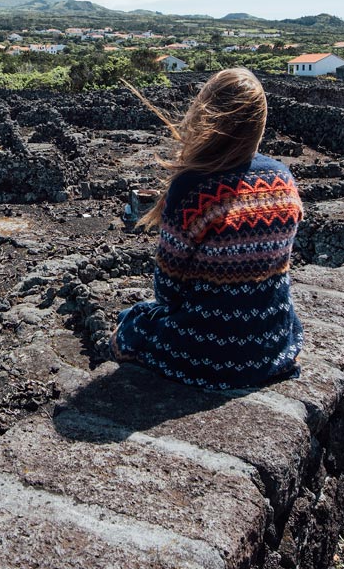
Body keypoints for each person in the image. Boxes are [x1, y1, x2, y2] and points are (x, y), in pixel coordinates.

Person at [110, 67, 305, 391]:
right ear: (260, 123)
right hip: (274, 344)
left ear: (205, 115)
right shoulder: (283, 180)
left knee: (131, 322)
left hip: (207, 351)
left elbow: (167, 292)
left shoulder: (193, 187)